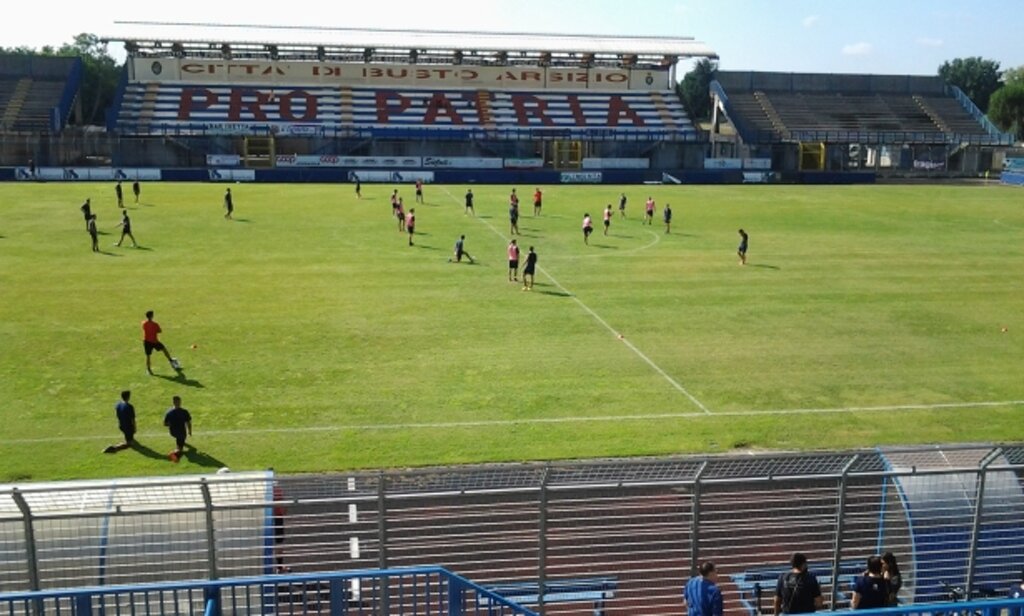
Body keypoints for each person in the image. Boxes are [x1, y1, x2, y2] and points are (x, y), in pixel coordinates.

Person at [142, 310, 179, 375]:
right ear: (151, 316)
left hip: (146, 341)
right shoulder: (155, 324)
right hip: (154, 341)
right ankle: (171, 361)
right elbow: (159, 331)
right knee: (164, 349)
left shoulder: (144, 323)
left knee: (148, 356)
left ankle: (149, 370)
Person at [163, 395, 192, 463]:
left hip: (172, 432)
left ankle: (179, 446)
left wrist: (171, 424)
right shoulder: (184, 412)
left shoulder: (169, 412)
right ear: (180, 402)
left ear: (173, 402)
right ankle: (173, 456)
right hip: (182, 433)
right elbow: (188, 423)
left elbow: (165, 424)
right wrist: (190, 431)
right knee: (180, 449)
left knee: (180, 440)